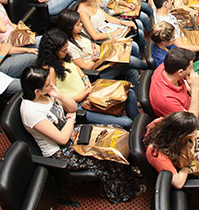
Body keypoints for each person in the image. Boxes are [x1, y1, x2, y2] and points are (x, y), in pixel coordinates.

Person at [19, 66, 143, 202]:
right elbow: (61, 139)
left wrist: (59, 95)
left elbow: (72, 108)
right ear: (37, 91)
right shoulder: (31, 112)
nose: (52, 85)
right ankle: (121, 192)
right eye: (48, 84)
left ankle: (129, 171)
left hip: (73, 133)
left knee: (115, 131)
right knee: (108, 154)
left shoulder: (48, 93)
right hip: (60, 152)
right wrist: (71, 119)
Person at [34, 28, 138, 128]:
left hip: (90, 91)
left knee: (129, 93)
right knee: (127, 122)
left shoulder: (63, 57)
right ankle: (135, 131)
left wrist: (86, 80)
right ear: (53, 51)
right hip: (78, 104)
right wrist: (79, 97)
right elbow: (55, 99)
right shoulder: (49, 70)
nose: (66, 51)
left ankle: (140, 125)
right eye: (63, 50)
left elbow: (78, 69)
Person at [76, 0, 144, 63]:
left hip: (108, 28)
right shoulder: (82, 13)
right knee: (134, 46)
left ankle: (139, 59)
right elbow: (95, 36)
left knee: (139, 32)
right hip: (102, 38)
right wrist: (113, 33)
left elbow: (107, 17)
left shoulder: (92, 3)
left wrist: (123, 22)